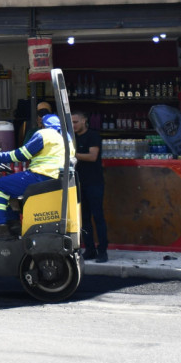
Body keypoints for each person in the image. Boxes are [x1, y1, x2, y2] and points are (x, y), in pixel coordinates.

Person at [0, 113, 71, 238]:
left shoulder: (45, 134)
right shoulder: (66, 137)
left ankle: (0, 227)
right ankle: (14, 224)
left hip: (41, 175)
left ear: (43, 124)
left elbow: (22, 154)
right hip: (56, 179)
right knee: (9, 187)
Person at [72, 111, 107, 263]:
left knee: (98, 216)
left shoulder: (93, 135)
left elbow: (92, 157)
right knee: (84, 218)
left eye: (76, 122)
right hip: (79, 182)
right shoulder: (72, 138)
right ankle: (90, 249)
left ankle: (103, 251)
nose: (73, 125)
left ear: (85, 121)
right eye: (71, 122)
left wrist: (73, 155)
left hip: (94, 182)